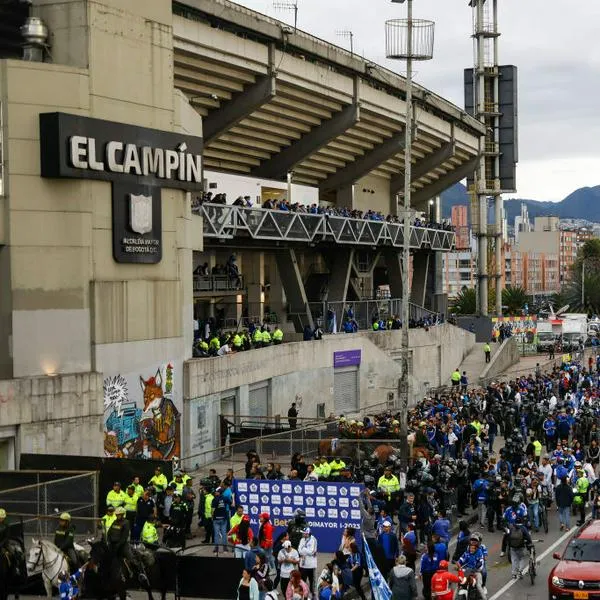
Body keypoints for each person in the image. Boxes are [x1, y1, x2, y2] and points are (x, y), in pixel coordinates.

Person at [456, 535, 486, 600]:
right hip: (467, 571)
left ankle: (485, 598)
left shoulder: (479, 552)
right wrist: (458, 564)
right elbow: (461, 559)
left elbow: (481, 562)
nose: (473, 542)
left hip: (476, 571)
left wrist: (475, 568)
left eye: (475, 541)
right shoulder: (467, 552)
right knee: (459, 583)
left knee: (478, 586)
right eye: (472, 541)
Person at [298, 527, 317, 596]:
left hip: (311, 565)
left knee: (312, 581)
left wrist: (303, 549)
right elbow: (299, 550)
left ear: (307, 533)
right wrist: (305, 550)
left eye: (303, 533)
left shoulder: (313, 539)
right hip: (303, 564)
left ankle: (313, 594)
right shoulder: (302, 539)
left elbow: (312, 551)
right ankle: (303, 593)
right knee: (302, 581)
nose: (302, 534)